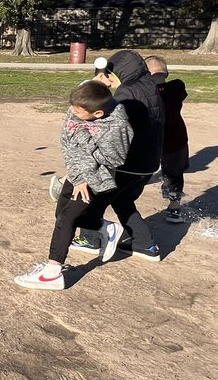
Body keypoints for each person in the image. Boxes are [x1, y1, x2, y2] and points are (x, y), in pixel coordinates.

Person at [15, 81, 132, 290]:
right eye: (72, 108)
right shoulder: (76, 110)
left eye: (78, 111)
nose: (72, 113)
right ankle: (105, 228)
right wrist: (77, 177)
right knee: (61, 214)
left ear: (97, 114)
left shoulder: (117, 126)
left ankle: (52, 273)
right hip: (77, 174)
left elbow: (115, 159)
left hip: (96, 178)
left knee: (67, 219)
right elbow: (67, 143)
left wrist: (85, 140)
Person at [73, 49, 166, 261]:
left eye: (107, 75)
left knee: (94, 196)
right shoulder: (149, 87)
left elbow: (109, 127)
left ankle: (89, 238)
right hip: (147, 162)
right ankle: (145, 244)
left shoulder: (127, 93)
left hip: (128, 162)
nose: (106, 79)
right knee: (123, 200)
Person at [145, 55, 189, 223]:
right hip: (175, 140)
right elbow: (176, 87)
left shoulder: (146, 93)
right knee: (174, 173)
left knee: (141, 171)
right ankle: (174, 206)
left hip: (152, 142)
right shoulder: (177, 87)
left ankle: (126, 202)